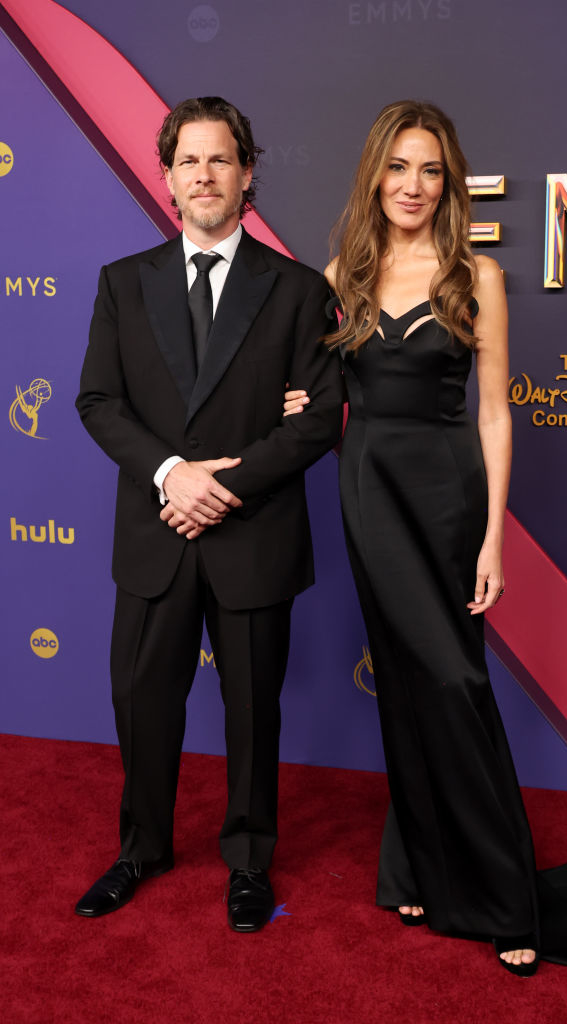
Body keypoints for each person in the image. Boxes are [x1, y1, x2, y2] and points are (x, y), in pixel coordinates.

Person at [284, 100, 567, 973]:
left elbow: (493, 414)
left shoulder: (473, 274)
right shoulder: (340, 271)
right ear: (374, 175)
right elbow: (317, 390)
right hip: (370, 491)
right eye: (399, 167)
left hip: (450, 498)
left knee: (454, 680)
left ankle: (501, 894)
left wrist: (492, 537)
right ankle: (416, 863)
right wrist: (295, 402)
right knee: (410, 686)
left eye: (430, 171)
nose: (413, 186)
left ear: (447, 182)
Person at [75, 97, 344, 931]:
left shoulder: (299, 290)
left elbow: (318, 414)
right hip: (155, 532)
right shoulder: (123, 283)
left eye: (220, 159)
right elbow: (97, 401)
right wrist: (170, 475)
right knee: (141, 700)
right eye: (188, 160)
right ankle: (141, 849)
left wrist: (221, 486)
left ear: (248, 172)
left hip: (251, 533)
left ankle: (249, 863)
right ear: (165, 177)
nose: (204, 175)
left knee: (253, 709)